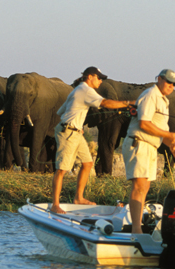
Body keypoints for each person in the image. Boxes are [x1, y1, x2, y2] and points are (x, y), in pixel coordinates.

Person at [51, 67, 133, 214]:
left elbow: (61, 111)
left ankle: (78, 198)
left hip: (76, 132)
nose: (101, 81)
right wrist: (127, 103)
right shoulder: (85, 90)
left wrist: (78, 124)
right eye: (99, 77)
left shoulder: (77, 90)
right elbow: (106, 103)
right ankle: (55, 204)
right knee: (62, 169)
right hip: (68, 133)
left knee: (88, 163)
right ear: (90, 77)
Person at [122, 69, 175, 234]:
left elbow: (160, 127)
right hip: (139, 143)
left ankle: (138, 227)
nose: (171, 86)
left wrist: (170, 143)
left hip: (150, 147)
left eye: (174, 84)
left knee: (145, 187)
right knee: (139, 186)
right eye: (168, 82)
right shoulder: (150, 95)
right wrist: (169, 135)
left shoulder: (163, 100)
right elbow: (144, 123)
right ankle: (136, 230)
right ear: (159, 79)